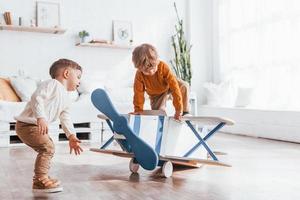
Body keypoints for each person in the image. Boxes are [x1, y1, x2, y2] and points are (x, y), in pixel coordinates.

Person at [15, 58, 83, 193]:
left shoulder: (67, 98)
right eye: (78, 76)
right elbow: (37, 97)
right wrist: (41, 117)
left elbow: (65, 118)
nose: (79, 81)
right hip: (27, 125)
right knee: (48, 148)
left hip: (33, 126)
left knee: (47, 148)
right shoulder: (52, 84)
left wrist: (71, 136)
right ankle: (40, 180)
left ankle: (42, 177)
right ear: (67, 73)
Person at [132, 43, 190, 120]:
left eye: (154, 68)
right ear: (139, 69)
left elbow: (174, 86)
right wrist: (138, 110)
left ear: (157, 61)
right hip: (156, 94)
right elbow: (138, 93)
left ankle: (185, 112)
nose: (151, 72)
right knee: (158, 113)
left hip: (168, 85)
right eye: (147, 71)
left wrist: (178, 109)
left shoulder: (163, 67)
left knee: (184, 85)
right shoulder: (139, 75)